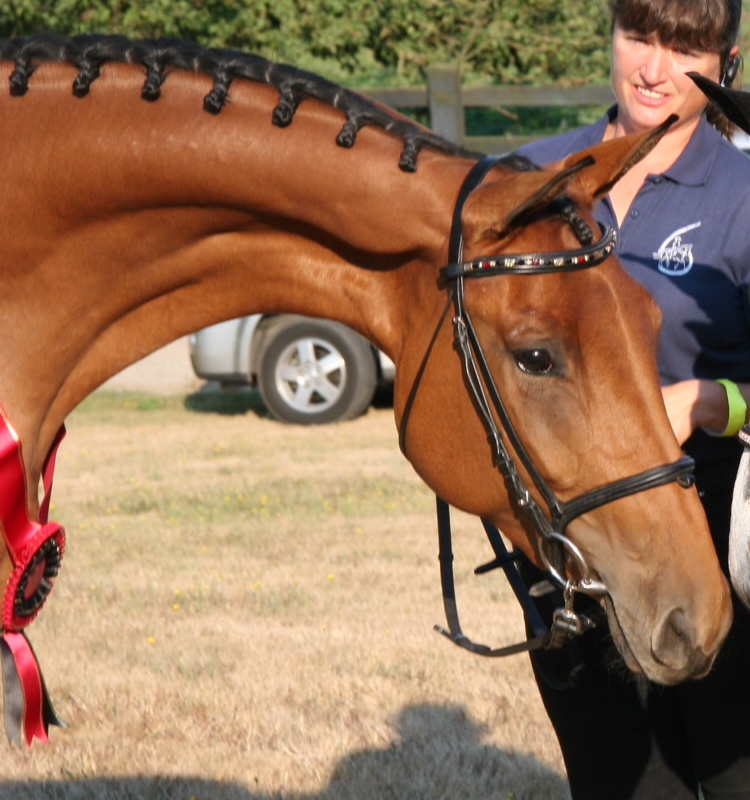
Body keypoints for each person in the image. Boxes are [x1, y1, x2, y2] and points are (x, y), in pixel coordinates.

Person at [513, 1, 750, 797]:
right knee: (619, 784)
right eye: (640, 36)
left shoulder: (745, 194)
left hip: (716, 539)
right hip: (573, 555)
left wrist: (715, 401)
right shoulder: (528, 184)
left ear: (727, 62)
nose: (653, 68)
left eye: (685, 46)